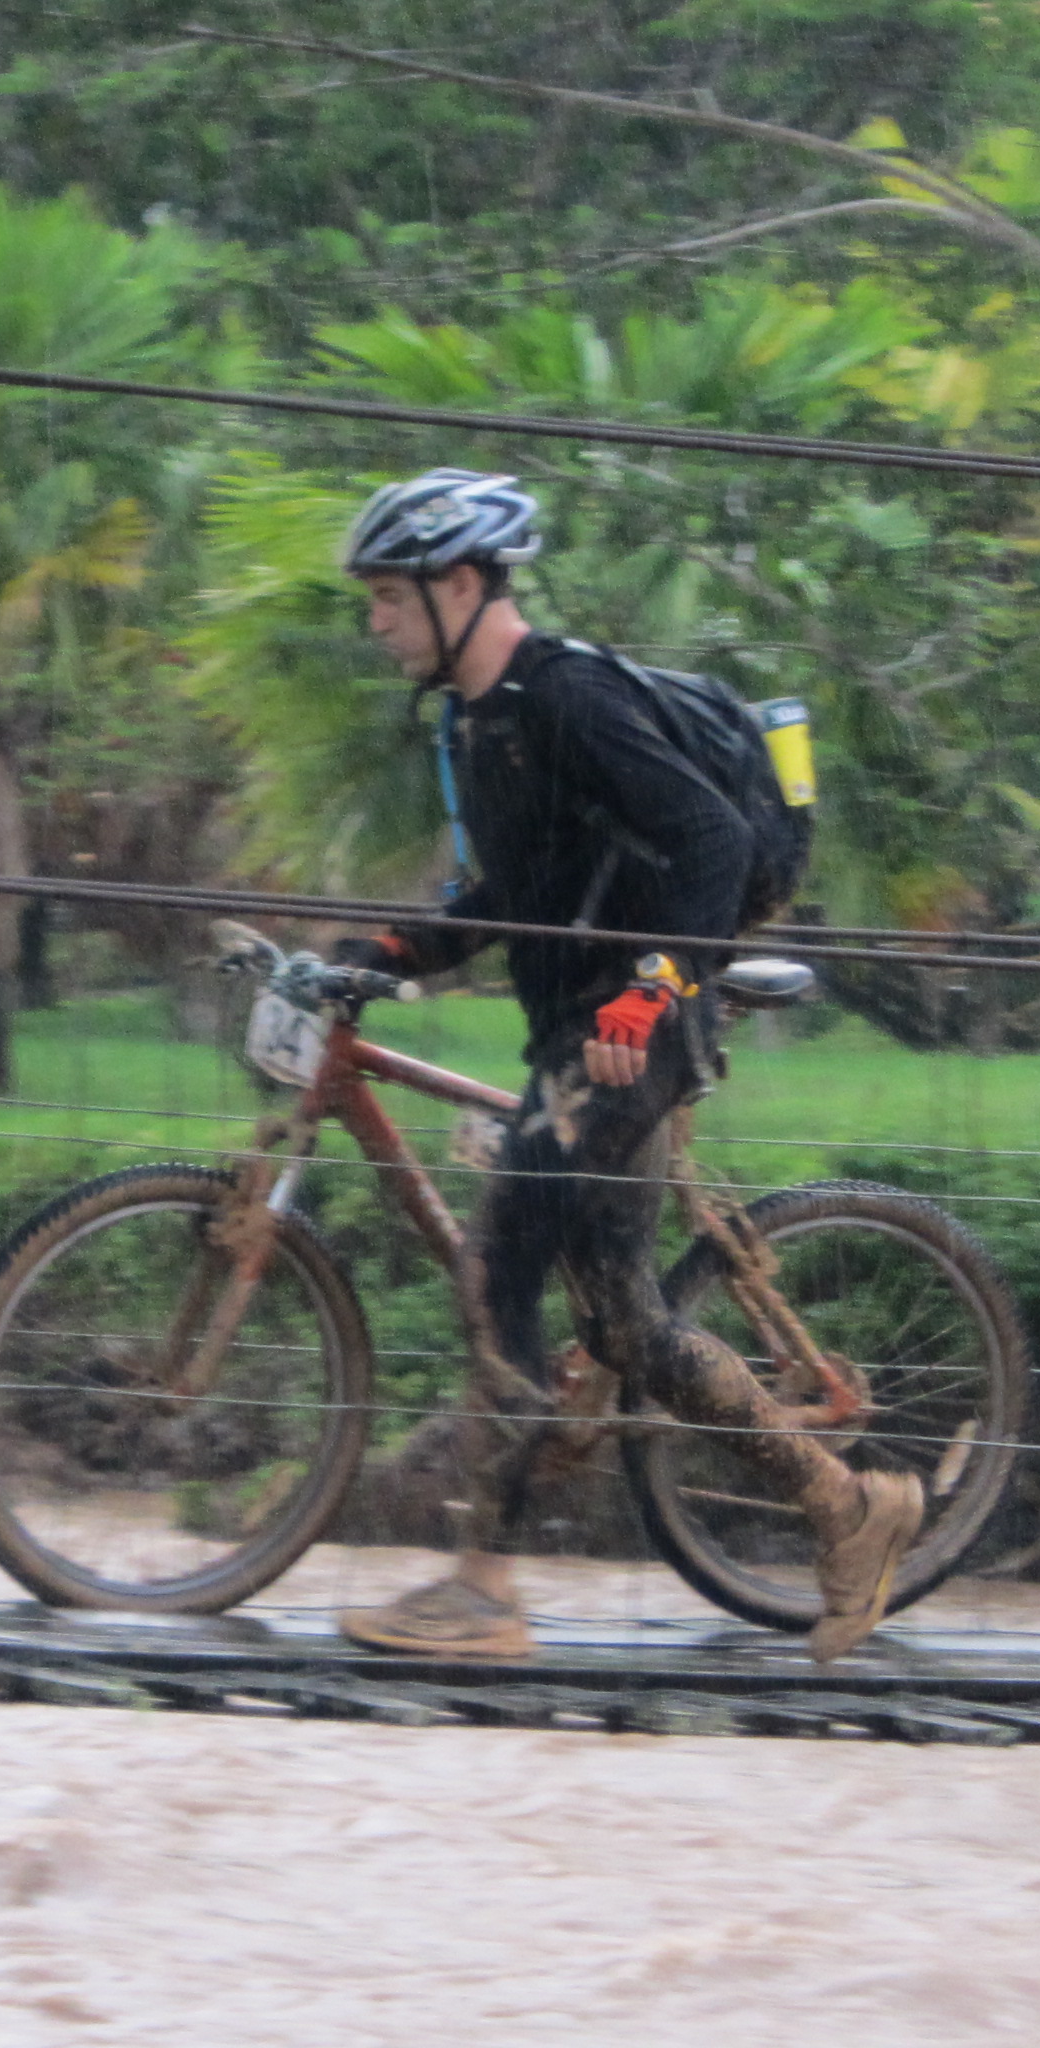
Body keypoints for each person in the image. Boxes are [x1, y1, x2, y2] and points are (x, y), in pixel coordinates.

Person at [322, 468, 923, 1664]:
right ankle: (851, 1504)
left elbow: (712, 838)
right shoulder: (482, 724)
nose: (376, 622)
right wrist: (389, 949)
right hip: (577, 1039)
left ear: (460, 584)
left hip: (631, 1036)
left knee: (498, 1261)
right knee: (629, 1322)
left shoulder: (570, 696)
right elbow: (508, 895)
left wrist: (654, 986)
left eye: (389, 596)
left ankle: (484, 1587)